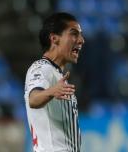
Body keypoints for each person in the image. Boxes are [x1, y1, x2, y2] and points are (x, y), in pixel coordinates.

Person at [24, 12, 85, 152]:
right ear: (54, 38)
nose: (81, 40)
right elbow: (33, 100)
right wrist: (51, 91)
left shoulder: (55, 74)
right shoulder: (41, 67)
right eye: (74, 34)